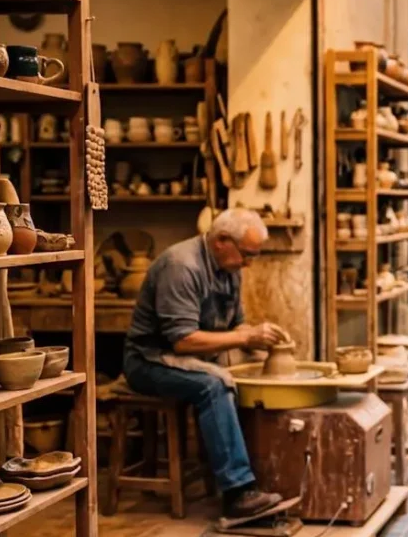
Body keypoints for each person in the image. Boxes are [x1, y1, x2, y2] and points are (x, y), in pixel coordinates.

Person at [122, 208, 287, 520]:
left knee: (253, 373)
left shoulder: (229, 269)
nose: (249, 263)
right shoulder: (181, 266)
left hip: (189, 359)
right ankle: (238, 493)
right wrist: (244, 338)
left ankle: (260, 475)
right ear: (222, 241)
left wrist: (256, 338)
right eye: (247, 255)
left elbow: (236, 327)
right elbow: (182, 341)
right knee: (214, 384)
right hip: (149, 361)